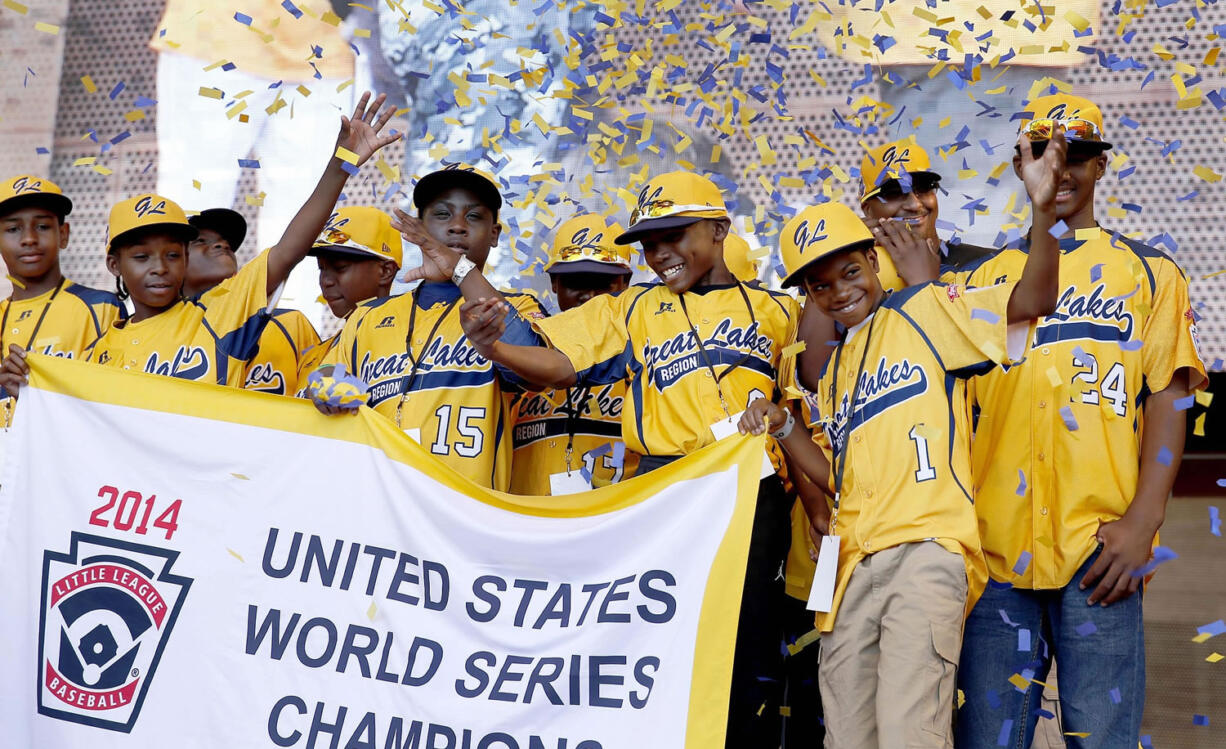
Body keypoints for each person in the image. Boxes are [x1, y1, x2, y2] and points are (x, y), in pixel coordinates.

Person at [438, 171, 798, 745]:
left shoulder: (780, 311)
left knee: (747, 656)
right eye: (648, 243)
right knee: (661, 657)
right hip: (666, 493)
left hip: (754, 498)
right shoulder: (630, 308)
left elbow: (808, 412)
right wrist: (492, 345)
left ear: (720, 228)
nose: (660, 253)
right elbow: (551, 361)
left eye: (674, 234)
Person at [737, 125, 1066, 747]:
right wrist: (782, 426)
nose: (840, 289)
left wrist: (1042, 208)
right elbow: (836, 477)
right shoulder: (835, 370)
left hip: (925, 551)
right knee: (849, 738)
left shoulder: (926, 308)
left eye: (850, 270)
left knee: (909, 731)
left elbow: (1036, 297)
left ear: (873, 259)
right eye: (819, 283)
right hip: (854, 565)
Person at [953, 93, 1208, 749]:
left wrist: (1144, 521)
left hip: (1101, 553)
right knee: (990, 739)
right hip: (997, 557)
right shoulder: (984, 278)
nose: (1060, 170)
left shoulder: (1149, 271)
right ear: (1019, 163)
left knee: (1102, 739)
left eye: (1078, 155)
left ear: (1101, 166)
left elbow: (1168, 399)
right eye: (1043, 153)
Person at [0, 93, 399, 396]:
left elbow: (289, 249)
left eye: (173, 254)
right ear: (114, 265)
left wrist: (340, 165)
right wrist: (31, 395)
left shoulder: (221, 312)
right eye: (140, 256)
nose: (159, 266)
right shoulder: (99, 353)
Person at [311, 166, 547, 492]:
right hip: (379, 500)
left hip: (467, 508)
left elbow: (539, 372)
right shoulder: (368, 315)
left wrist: (460, 269)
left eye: (474, 217)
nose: (457, 226)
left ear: (494, 234)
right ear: (418, 227)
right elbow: (327, 371)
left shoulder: (517, 306)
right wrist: (322, 382)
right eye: (442, 214)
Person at [149, 0, 356, 329]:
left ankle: (287, 353)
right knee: (191, 204)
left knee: (305, 213)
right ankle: (164, 342)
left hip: (324, 44)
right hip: (214, 32)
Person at [796, 136, 995, 394]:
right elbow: (816, 376)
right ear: (867, 210)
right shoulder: (856, 282)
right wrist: (834, 252)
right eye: (895, 193)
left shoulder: (981, 262)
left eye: (924, 188)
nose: (914, 204)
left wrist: (924, 286)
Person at [506, 213, 638, 495]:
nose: (589, 295)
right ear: (554, 283)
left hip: (615, 519)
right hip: (527, 519)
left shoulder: (642, 350)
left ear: (625, 282)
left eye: (602, 282)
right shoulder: (526, 348)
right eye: (576, 281)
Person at [0, 175, 125, 424]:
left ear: (64, 234)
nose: (29, 239)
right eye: (13, 229)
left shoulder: (100, 307)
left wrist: (35, 394)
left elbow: (115, 404)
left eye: (43, 227)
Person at [183, 207, 320, 396]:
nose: (223, 245)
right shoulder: (158, 329)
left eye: (227, 242)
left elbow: (322, 381)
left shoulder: (290, 323)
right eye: (200, 241)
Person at [294, 206, 402, 394]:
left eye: (340, 267)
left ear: (385, 271)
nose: (326, 281)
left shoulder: (409, 342)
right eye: (322, 268)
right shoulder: (313, 357)